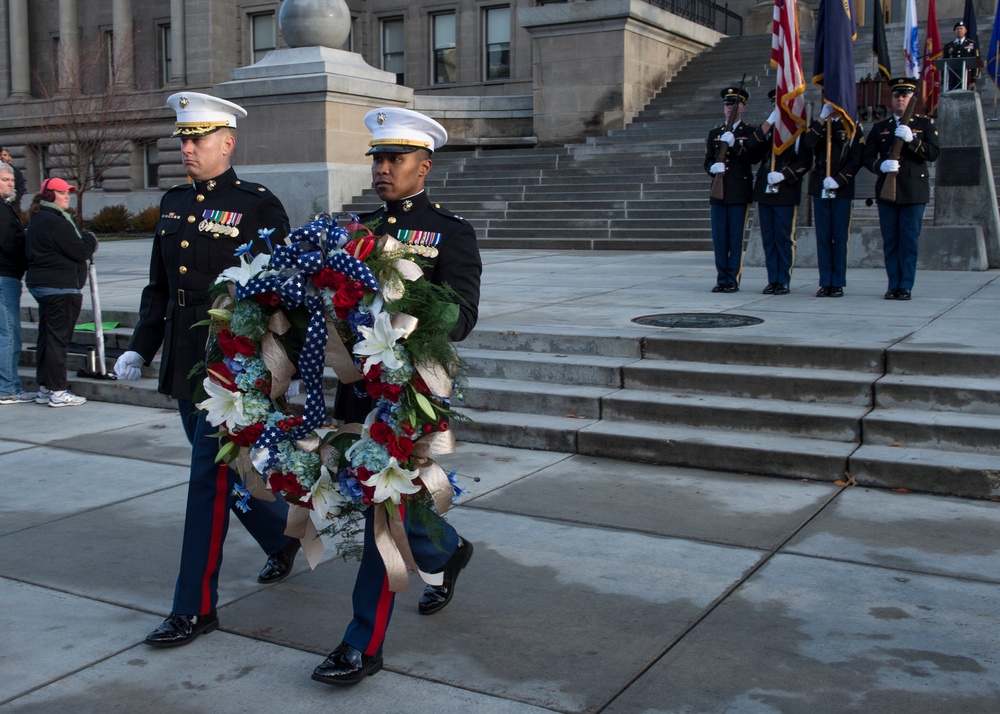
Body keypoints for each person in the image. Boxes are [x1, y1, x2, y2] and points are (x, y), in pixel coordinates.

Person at [112, 92, 299, 647]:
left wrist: (269, 370)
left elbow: (282, 298)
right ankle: (282, 538)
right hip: (182, 359)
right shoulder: (173, 202)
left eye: (197, 139)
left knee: (205, 481)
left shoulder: (257, 205)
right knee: (228, 474)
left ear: (227, 142)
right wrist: (141, 347)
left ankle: (193, 607)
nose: (187, 148)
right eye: (183, 139)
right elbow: (160, 287)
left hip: (231, 365)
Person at [311, 107, 482, 687]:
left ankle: (363, 643)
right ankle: (446, 551)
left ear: (424, 166)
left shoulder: (450, 232)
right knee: (384, 501)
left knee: (379, 516)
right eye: (377, 159)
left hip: (410, 391)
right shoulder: (356, 232)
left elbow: (463, 316)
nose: (382, 169)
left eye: (395, 159)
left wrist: (410, 311)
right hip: (358, 385)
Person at [863, 77, 940, 301]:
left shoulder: (924, 125)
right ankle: (893, 284)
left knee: (908, 240)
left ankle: (905, 285)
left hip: (913, 191)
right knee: (891, 240)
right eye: (897, 95)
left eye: (905, 95)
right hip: (887, 191)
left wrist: (912, 140)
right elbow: (867, 158)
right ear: (891, 99)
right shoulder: (881, 127)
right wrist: (881, 166)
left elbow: (933, 154)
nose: (900, 99)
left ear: (912, 99)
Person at [24, 178, 97, 407]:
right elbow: (79, 251)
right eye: (62, 192)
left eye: (68, 193)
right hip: (59, 288)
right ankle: (57, 391)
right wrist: (90, 239)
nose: (67, 196)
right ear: (49, 195)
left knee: (47, 338)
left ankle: (45, 388)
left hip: (44, 286)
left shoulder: (39, 219)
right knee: (58, 341)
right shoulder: (55, 222)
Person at [746, 89, 811, 295]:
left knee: (784, 237)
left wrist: (786, 175)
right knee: (768, 237)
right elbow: (750, 148)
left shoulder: (798, 130)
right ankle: (772, 278)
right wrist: (768, 123)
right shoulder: (768, 129)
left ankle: (783, 279)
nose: (778, 109)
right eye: (775, 105)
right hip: (764, 190)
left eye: (782, 105)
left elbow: (806, 161)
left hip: (785, 189)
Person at [800, 102, 865, 297]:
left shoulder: (852, 126)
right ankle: (825, 281)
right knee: (823, 237)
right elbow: (808, 143)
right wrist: (821, 118)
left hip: (841, 189)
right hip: (821, 186)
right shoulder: (820, 124)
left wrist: (839, 180)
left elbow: (856, 160)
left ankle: (837, 282)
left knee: (839, 236)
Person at [704, 86, 756, 293]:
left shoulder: (749, 131)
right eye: (727, 104)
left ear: (742, 108)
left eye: (734, 104)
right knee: (720, 239)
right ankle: (721, 278)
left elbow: (754, 158)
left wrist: (735, 145)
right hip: (719, 192)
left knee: (735, 238)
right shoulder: (715, 132)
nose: (730, 108)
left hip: (739, 192)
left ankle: (732, 279)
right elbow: (707, 160)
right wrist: (711, 168)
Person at [0, 163, 31, 404]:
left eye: (12, 179)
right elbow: (11, 244)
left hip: (8, 276)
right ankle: (8, 388)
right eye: (5, 179)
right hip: (3, 278)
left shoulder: (6, 207)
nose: (11, 183)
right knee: (9, 334)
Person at [942, 20, 979, 91]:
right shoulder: (949, 46)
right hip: (952, 77)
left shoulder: (971, 44)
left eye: (961, 28)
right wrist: (943, 79)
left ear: (965, 31)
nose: (959, 30)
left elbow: (976, 62)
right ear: (954, 31)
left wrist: (974, 79)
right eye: (957, 29)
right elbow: (944, 62)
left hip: (967, 76)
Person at [0, 148, 26, 215]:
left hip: (13, 207)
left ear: (9, 157)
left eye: (5, 155)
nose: (2, 157)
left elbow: (21, 189)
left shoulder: (17, 172)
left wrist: (13, 197)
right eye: (1, 155)